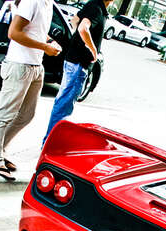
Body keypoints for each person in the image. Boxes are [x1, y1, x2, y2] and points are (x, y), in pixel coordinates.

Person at [0, 0, 61, 181]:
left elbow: (35, 30)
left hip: (36, 66)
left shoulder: (48, 3)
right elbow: (14, 32)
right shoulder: (32, 1)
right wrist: (45, 47)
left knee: (27, 115)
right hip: (19, 65)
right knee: (5, 114)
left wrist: (49, 40)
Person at [42, 0, 112, 145]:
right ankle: (50, 143)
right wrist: (93, 50)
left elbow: (74, 21)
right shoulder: (97, 9)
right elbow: (83, 28)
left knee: (63, 103)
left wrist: (78, 42)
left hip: (74, 62)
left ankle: (51, 141)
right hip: (78, 64)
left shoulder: (93, 5)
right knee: (64, 105)